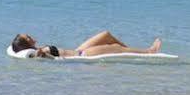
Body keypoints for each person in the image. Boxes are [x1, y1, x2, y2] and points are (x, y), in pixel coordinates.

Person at [10, 31, 163, 58]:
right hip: (84, 55)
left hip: (78, 51)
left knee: (106, 35)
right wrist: (40, 54)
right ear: (27, 44)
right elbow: (41, 57)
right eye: (27, 37)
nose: (31, 36)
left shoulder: (39, 49)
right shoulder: (40, 53)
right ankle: (150, 51)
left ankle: (131, 50)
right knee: (115, 49)